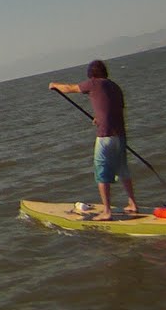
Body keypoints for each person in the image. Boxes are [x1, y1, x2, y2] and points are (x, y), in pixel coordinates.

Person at [49, 60, 138, 220]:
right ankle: (133, 204)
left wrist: (54, 85)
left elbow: (71, 88)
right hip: (120, 135)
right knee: (123, 169)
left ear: (91, 75)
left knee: (101, 173)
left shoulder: (94, 83)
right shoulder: (115, 87)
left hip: (105, 137)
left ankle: (107, 212)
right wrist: (100, 118)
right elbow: (114, 109)